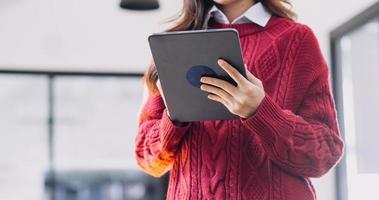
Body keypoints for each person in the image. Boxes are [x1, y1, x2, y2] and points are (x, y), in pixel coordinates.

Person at [135, 0, 345, 199]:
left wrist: (261, 112)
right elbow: (146, 157)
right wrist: (174, 116)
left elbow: (325, 154)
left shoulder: (298, 39)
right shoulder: (172, 45)